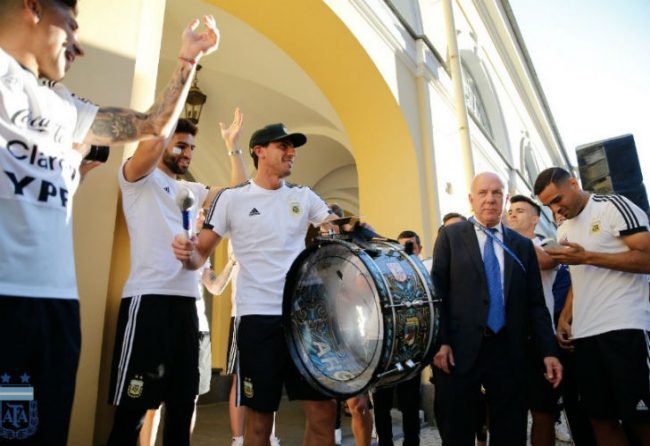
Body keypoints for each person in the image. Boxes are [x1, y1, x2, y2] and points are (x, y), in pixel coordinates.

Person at [0, 1, 219, 443]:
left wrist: (188, 59)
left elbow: (153, 126)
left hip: (56, 310)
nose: (78, 46)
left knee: (39, 431)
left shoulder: (65, 107)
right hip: (6, 301)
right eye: (71, 26)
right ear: (32, 8)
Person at [173, 122, 342, 446]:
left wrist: (353, 228)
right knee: (260, 422)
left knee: (323, 412)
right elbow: (198, 256)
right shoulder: (232, 199)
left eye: (293, 147)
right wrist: (187, 254)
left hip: (303, 319)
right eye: (284, 146)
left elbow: (336, 227)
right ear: (259, 151)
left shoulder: (303, 196)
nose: (292, 153)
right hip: (257, 320)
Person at [107, 109, 246, 446]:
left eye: (192, 148)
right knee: (132, 415)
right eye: (181, 145)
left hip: (188, 310)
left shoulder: (191, 190)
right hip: (148, 303)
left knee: (182, 413)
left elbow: (239, 194)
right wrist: (166, 121)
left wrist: (232, 146)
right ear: (163, 142)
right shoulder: (138, 179)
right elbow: (148, 146)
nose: (187, 153)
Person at [431, 172, 562, 446]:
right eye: (483, 193)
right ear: (471, 199)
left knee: (510, 431)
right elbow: (437, 294)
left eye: (496, 193)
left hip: (509, 351)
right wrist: (441, 342)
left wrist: (548, 351)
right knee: (457, 432)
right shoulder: (451, 237)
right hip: (460, 351)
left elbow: (536, 303)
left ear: (504, 198)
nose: (490, 199)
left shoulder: (521, 246)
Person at [534, 167, 650, 446]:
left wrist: (587, 257)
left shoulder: (613, 206)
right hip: (584, 335)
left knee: (640, 417)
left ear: (574, 183)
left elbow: (647, 258)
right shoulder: (563, 228)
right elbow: (580, 276)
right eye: (548, 205)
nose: (555, 208)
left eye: (557, 199)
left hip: (624, 326)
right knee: (600, 419)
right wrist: (565, 316)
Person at [507, 195, 562, 446]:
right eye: (510, 210)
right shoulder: (500, 245)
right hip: (506, 339)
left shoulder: (547, 244)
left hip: (539, 339)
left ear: (535, 220)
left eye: (520, 210)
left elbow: (547, 262)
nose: (512, 214)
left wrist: (510, 238)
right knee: (508, 412)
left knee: (543, 412)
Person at [371, 230, 425, 446]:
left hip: (412, 347)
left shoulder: (424, 274)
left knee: (410, 404)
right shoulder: (384, 274)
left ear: (419, 249)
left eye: (410, 247)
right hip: (385, 349)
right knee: (381, 404)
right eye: (401, 248)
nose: (405, 252)